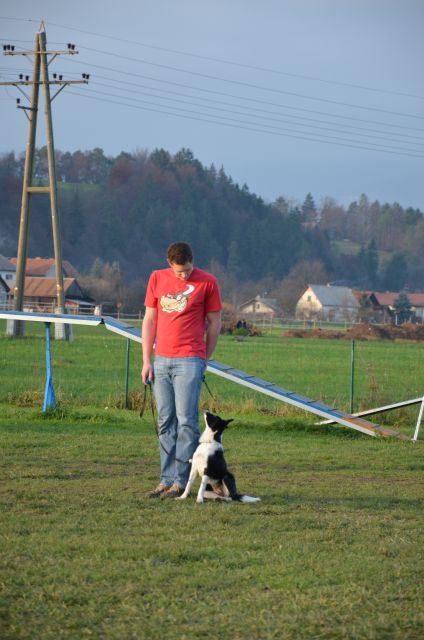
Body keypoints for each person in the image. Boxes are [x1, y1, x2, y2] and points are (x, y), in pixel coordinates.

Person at [141, 241, 222, 498]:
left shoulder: (208, 282)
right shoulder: (156, 278)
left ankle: (181, 481)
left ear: (192, 261)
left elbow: (215, 322)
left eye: (187, 270)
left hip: (190, 359)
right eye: (179, 272)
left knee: (186, 421)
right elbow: (150, 319)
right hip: (161, 359)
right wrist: (146, 360)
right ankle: (165, 479)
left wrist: (204, 357)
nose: (184, 275)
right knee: (166, 421)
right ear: (169, 264)